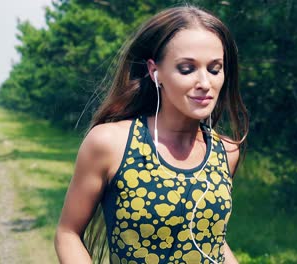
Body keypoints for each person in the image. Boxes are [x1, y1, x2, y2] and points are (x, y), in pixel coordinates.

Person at [54, 5, 248, 264]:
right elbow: (67, 233)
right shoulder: (111, 144)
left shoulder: (225, 152)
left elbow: (211, 240)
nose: (205, 83)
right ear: (155, 71)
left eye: (215, 69)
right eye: (187, 69)